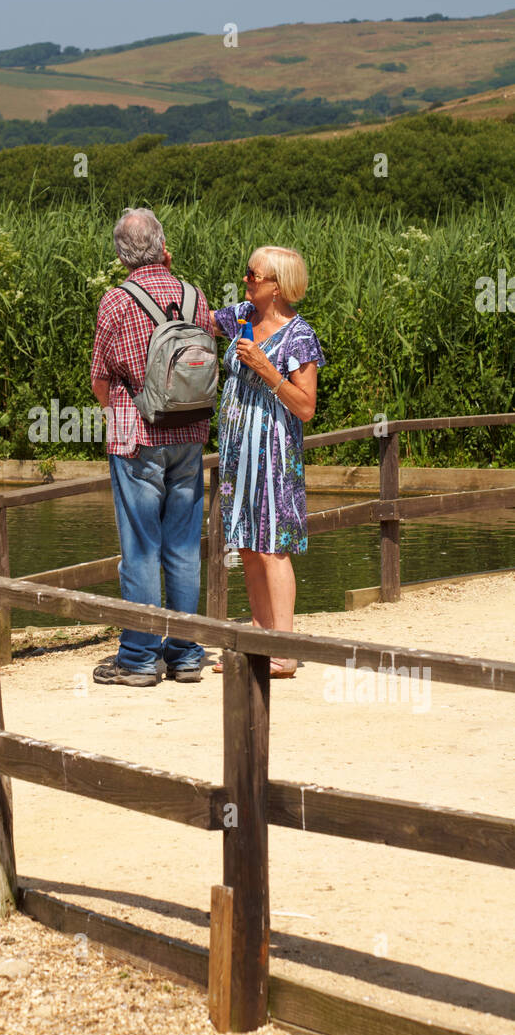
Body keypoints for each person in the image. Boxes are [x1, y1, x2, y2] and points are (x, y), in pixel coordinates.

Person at [90, 208, 215, 686]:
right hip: (189, 433)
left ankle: (139, 659)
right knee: (183, 548)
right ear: (163, 245)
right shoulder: (193, 294)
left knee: (140, 549)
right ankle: (184, 654)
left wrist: (120, 407)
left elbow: (101, 381)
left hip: (137, 434)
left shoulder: (116, 301)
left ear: (121, 254)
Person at [212, 247, 324, 679]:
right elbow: (200, 317)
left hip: (275, 452)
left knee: (274, 547)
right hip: (238, 451)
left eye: (253, 276)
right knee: (246, 544)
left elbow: (306, 407)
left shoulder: (299, 336)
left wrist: (266, 369)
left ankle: (285, 649)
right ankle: (259, 641)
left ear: (277, 285)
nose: (246, 281)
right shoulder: (241, 315)